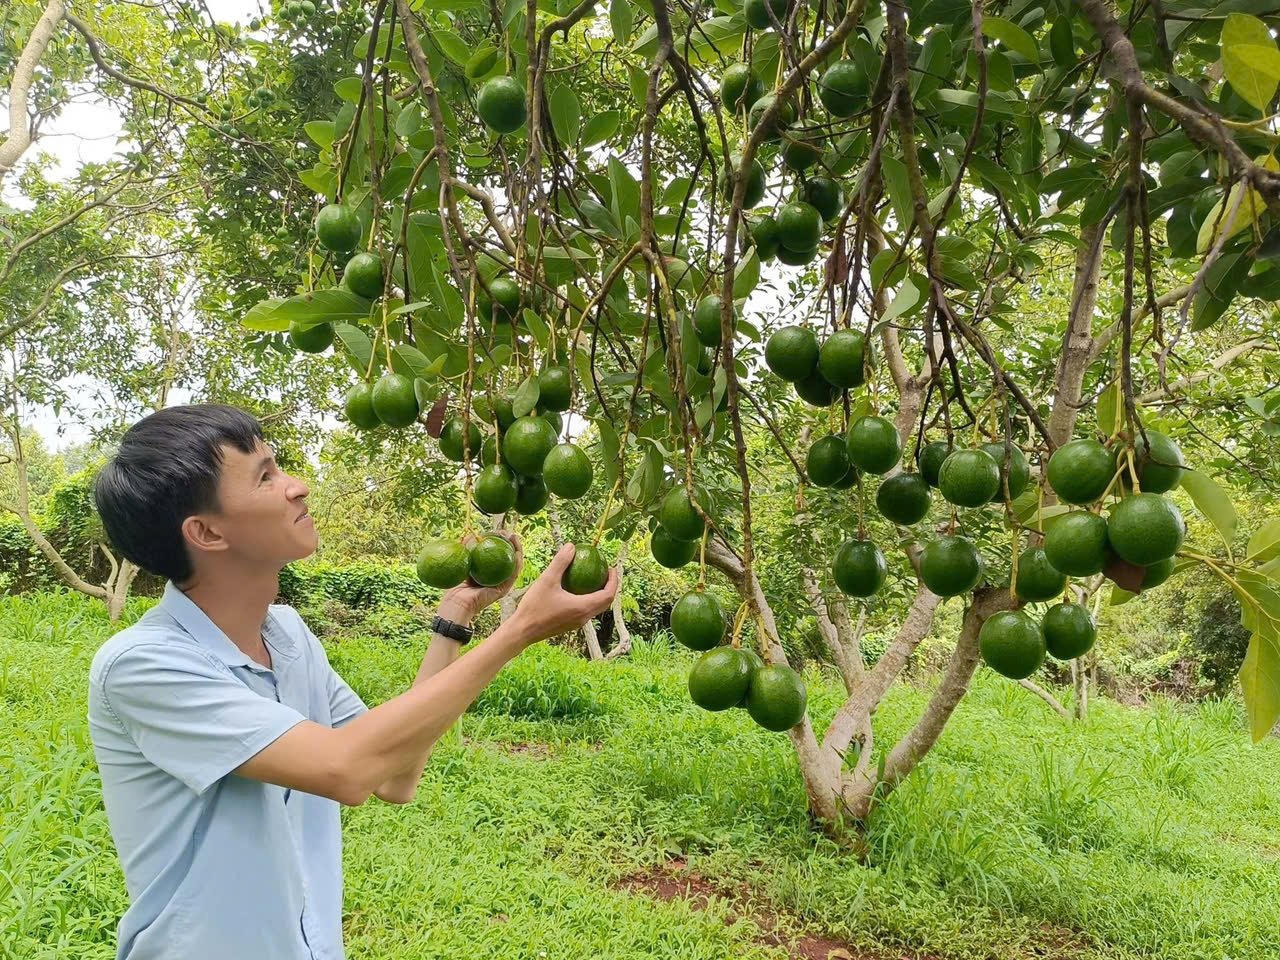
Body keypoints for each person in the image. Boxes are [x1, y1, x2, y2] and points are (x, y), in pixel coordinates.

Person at [87, 403, 617, 960]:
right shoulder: (144, 665)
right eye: (265, 477)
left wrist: (457, 613)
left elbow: (395, 777)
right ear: (206, 532)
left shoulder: (288, 637)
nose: (298, 486)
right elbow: (349, 770)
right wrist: (520, 630)